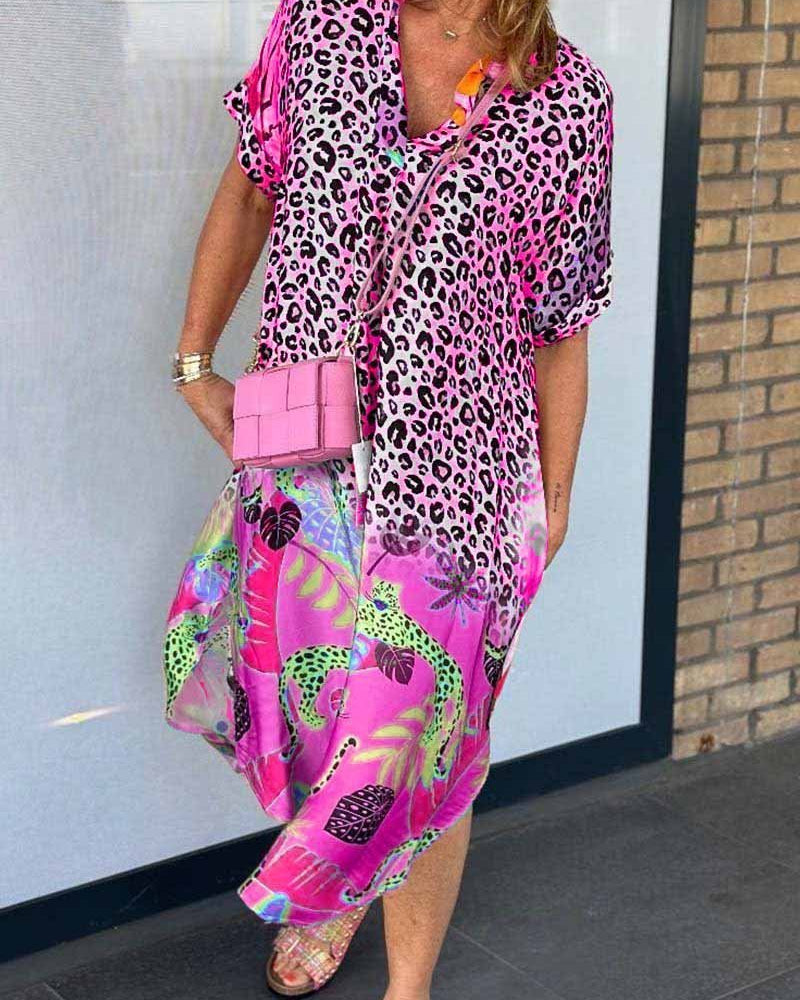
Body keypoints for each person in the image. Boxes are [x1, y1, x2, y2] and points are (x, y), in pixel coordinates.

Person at [162, 0, 614, 995]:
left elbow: (562, 324)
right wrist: (196, 363)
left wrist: (556, 499)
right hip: (303, 460)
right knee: (321, 709)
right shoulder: (322, 21)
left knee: (424, 745)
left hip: (460, 490)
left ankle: (408, 988)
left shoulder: (569, 99)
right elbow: (251, 187)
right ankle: (340, 888)